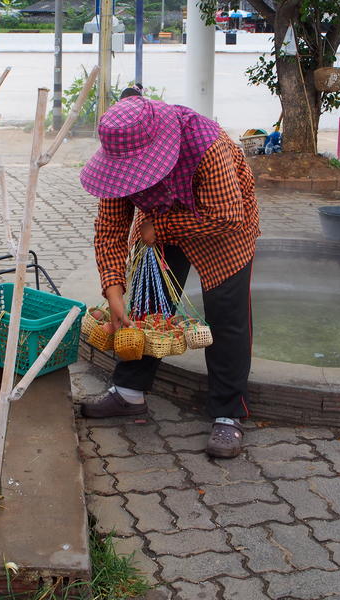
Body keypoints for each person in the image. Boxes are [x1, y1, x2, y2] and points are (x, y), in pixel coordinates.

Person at [79, 96, 260, 458]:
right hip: (155, 227)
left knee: (227, 317)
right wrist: (113, 288)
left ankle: (228, 415)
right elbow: (110, 228)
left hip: (221, 228)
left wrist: (158, 226)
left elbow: (227, 214)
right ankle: (129, 394)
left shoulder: (206, 144)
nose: (131, 177)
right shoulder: (119, 164)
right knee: (146, 305)